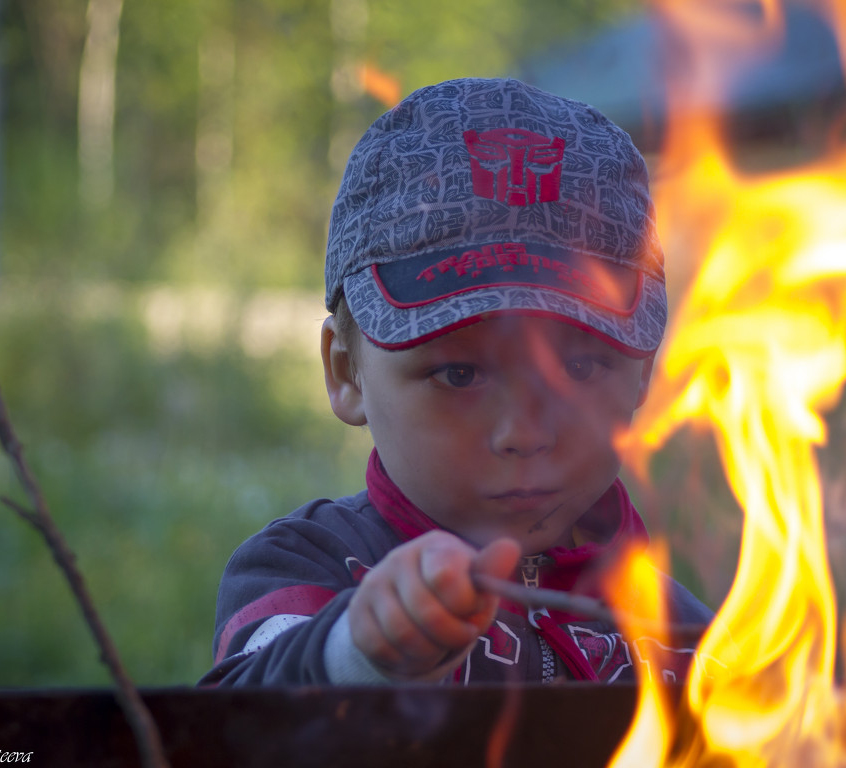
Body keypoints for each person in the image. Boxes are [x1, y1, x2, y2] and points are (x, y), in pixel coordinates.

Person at [201, 77, 712, 686]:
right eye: (460, 373)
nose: (525, 433)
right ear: (347, 371)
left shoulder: (681, 634)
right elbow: (238, 729)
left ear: (642, 373)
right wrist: (359, 654)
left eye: (580, 367)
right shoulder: (306, 571)